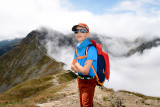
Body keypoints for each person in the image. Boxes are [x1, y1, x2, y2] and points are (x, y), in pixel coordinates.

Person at [71, 23, 98, 107]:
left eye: (82, 31)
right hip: (80, 79)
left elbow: (85, 71)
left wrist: (76, 63)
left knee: (86, 104)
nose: (78, 33)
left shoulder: (91, 49)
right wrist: (80, 68)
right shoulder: (78, 48)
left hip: (89, 81)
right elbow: (71, 67)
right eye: (76, 31)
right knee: (83, 103)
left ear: (88, 34)